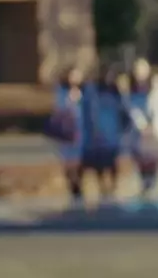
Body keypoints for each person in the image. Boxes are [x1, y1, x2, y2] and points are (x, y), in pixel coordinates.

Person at [124, 58, 158, 198]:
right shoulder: (131, 88)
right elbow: (131, 108)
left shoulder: (156, 85)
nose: (140, 73)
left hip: (155, 128)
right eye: (138, 70)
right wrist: (142, 125)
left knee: (155, 157)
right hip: (139, 130)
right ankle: (144, 182)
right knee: (140, 158)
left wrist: (153, 125)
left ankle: (150, 182)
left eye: (143, 70)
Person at [82, 64, 127, 200]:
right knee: (99, 161)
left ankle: (112, 186)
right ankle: (102, 185)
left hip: (112, 131)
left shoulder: (115, 92)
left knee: (112, 159)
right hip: (98, 131)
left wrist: (123, 127)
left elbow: (123, 110)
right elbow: (88, 110)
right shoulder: (92, 90)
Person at [49, 66, 87, 203]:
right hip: (67, 134)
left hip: (81, 132)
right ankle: (73, 188)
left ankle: (78, 188)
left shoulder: (85, 92)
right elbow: (59, 110)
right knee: (68, 163)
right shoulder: (62, 92)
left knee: (79, 162)